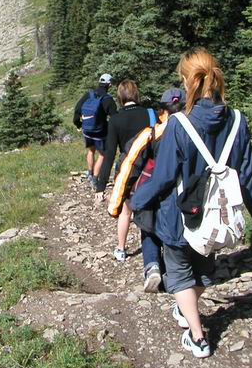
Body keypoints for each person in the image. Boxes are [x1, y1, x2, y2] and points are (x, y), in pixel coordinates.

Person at [130, 48, 252, 359]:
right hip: (217, 215)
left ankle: (198, 337)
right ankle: (187, 308)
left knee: (178, 273)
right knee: (204, 271)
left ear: (187, 82)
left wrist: (138, 200)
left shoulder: (179, 124)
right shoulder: (237, 121)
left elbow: (164, 177)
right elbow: (248, 173)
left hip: (181, 216)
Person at [107, 88, 185, 293]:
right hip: (186, 194)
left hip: (153, 188)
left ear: (163, 110)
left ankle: (152, 266)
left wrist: (115, 205)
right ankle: (178, 275)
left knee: (148, 228)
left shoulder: (152, 133)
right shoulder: (195, 130)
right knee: (177, 231)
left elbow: (129, 166)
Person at [94, 79, 154, 262]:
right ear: (136, 94)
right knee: (153, 207)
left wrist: (100, 185)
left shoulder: (115, 120)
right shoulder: (150, 114)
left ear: (120, 97)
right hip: (150, 168)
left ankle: (121, 248)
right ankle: (156, 248)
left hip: (128, 169)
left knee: (125, 211)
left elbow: (109, 154)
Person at [73, 73, 117, 188]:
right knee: (103, 154)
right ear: (109, 84)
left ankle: (90, 173)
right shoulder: (108, 99)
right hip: (99, 131)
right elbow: (115, 117)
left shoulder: (89, 94)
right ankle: (95, 178)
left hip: (86, 129)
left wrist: (78, 124)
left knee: (91, 150)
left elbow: (77, 109)